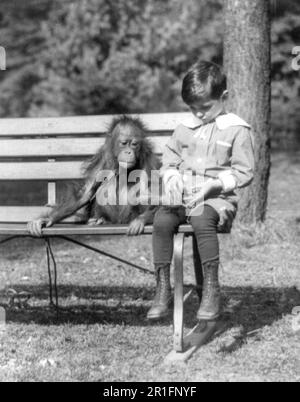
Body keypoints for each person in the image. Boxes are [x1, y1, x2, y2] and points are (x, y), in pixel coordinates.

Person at [147, 60, 255, 321]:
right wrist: (171, 175)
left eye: (205, 108)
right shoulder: (185, 128)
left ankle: (210, 289)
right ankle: (163, 288)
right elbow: (169, 159)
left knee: (201, 218)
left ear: (224, 97)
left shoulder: (236, 130)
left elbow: (245, 171)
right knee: (162, 220)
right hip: (184, 197)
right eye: (192, 108)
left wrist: (215, 185)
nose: (199, 114)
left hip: (217, 199)